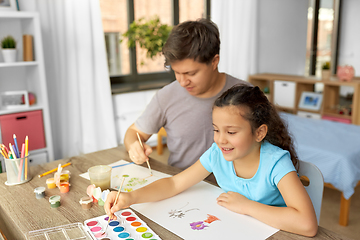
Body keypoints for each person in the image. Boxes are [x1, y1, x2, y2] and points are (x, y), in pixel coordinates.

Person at [105, 85, 318, 237]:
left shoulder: (276, 163)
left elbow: (307, 224)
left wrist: (247, 207)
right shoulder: (217, 153)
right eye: (216, 130)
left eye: (231, 132)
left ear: (260, 133)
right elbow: (174, 183)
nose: (220, 139)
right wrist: (130, 197)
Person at [124, 18, 251, 169]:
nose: (183, 82)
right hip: (181, 183)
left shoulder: (247, 95)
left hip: (234, 188)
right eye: (177, 72)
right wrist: (134, 146)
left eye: (190, 73)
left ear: (214, 61)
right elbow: (134, 132)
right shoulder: (166, 96)